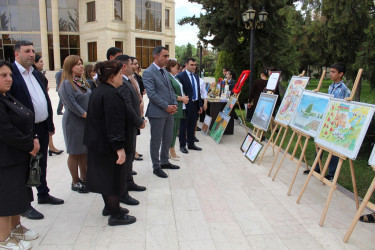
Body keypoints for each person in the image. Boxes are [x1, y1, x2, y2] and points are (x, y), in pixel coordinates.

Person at [10, 40, 64, 221]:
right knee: (25, 167)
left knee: (41, 164)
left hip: (41, 126)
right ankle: (25, 205)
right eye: (27, 51)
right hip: (23, 130)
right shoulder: (11, 74)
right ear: (16, 54)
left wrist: (49, 124)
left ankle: (43, 193)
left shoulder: (37, 75)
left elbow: (45, 100)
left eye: (33, 51)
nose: (32, 54)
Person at [84, 60, 136, 226]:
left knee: (105, 178)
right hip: (107, 146)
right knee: (113, 180)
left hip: (98, 144)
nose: (122, 77)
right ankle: (116, 215)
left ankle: (110, 207)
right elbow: (114, 124)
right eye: (120, 74)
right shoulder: (110, 94)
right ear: (112, 77)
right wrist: (119, 148)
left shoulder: (100, 90)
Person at [0, 60, 39, 250]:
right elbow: (7, 131)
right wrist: (29, 144)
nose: (9, 79)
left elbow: (25, 118)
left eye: (9, 75)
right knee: (6, 198)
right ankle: (3, 238)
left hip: (18, 156)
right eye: (3, 76)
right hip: (6, 159)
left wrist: (34, 138)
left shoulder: (6, 96)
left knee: (17, 196)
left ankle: (15, 228)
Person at [304, 63, 351, 180]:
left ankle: (331, 173)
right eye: (330, 71)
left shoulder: (344, 90)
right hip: (327, 119)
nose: (330, 74)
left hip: (336, 122)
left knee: (333, 148)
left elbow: (344, 107)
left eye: (333, 72)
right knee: (319, 143)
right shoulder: (331, 87)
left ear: (341, 74)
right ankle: (317, 166)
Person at [143, 46, 179, 178]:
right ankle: (156, 166)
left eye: (168, 56)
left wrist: (174, 104)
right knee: (156, 140)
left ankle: (164, 161)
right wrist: (166, 106)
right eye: (165, 56)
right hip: (157, 113)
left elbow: (171, 91)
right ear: (156, 56)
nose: (167, 59)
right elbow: (151, 94)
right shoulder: (148, 72)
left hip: (169, 112)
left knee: (168, 138)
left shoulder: (165, 71)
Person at [116, 54, 147, 206]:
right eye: (131, 64)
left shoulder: (129, 79)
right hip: (126, 125)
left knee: (130, 155)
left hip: (132, 124)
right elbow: (127, 106)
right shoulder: (121, 81)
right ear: (124, 66)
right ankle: (123, 189)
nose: (134, 66)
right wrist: (138, 120)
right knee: (127, 156)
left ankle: (129, 181)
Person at [58, 55, 91, 193]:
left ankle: (84, 178)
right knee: (74, 153)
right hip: (74, 123)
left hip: (86, 122)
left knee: (84, 152)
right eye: (78, 64)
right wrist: (86, 115)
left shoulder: (82, 82)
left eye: (82, 63)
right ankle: (75, 181)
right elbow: (72, 104)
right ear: (70, 67)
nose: (82, 66)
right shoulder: (66, 84)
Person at [33, 55, 64, 156]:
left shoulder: (39, 75)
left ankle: (51, 146)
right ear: (35, 63)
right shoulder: (36, 75)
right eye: (41, 62)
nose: (43, 64)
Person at [177, 58, 203, 154]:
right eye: (191, 65)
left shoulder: (196, 77)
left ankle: (191, 144)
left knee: (192, 125)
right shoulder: (180, 76)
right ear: (186, 64)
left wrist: (200, 105)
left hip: (195, 104)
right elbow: (179, 91)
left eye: (195, 65)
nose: (194, 67)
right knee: (184, 125)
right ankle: (182, 145)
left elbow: (198, 91)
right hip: (186, 104)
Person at [166, 60, 189, 161]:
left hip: (180, 107)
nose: (178, 70)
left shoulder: (175, 78)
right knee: (172, 130)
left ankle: (171, 150)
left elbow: (179, 90)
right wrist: (181, 98)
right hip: (174, 107)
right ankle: (170, 151)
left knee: (175, 130)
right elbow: (169, 93)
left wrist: (184, 97)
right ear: (170, 67)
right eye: (176, 68)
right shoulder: (168, 78)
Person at [130, 57, 144, 161]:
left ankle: (133, 150)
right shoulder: (129, 77)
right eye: (134, 64)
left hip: (138, 104)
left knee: (135, 133)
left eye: (137, 64)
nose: (137, 66)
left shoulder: (135, 76)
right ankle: (132, 152)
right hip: (133, 107)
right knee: (132, 133)